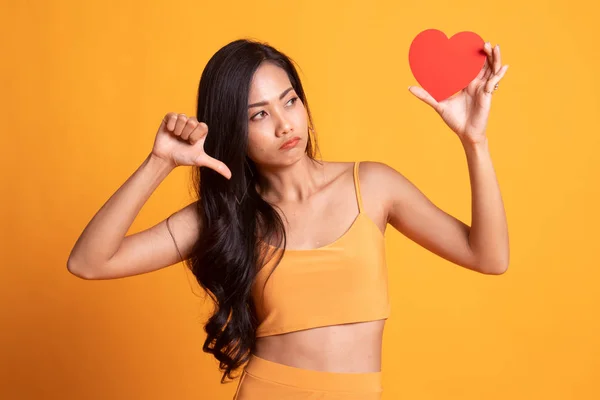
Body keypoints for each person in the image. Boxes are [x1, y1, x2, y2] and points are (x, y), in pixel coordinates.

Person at [67, 38, 510, 399]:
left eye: (289, 101)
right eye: (259, 114)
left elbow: (489, 257)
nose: (284, 125)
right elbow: (89, 262)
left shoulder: (372, 185)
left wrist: (475, 141)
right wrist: (159, 162)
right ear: (230, 132)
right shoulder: (225, 217)